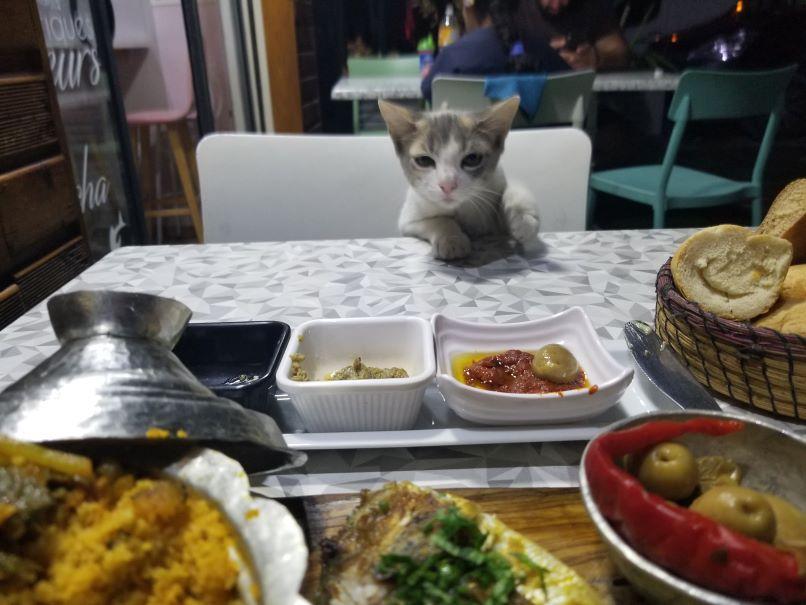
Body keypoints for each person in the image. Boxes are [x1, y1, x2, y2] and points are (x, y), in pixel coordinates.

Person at [421, 0, 569, 101]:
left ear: (470, 8)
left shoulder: (454, 56)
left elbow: (428, 91)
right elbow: (572, 85)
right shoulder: (543, 51)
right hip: (540, 139)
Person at [537, 0, 629, 70]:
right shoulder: (527, 8)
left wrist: (596, 60)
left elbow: (618, 53)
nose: (556, 5)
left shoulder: (592, 5)